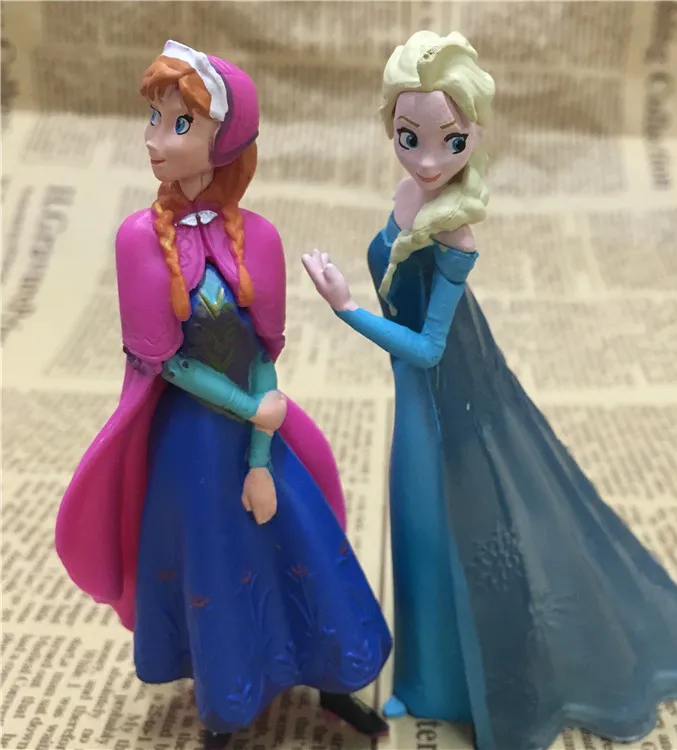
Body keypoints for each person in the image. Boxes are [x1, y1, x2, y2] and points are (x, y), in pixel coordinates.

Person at [302, 29, 677, 750]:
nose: (429, 160)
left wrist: (346, 307)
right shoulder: (407, 195)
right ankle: (424, 680)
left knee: (451, 531)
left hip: (442, 401)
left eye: (451, 141)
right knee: (415, 534)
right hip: (414, 401)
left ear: (475, 135)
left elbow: (428, 348)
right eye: (410, 138)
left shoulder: (456, 237)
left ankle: (469, 684)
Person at [55, 40, 391, 750]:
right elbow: (166, 364)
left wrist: (262, 451)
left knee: (303, 539)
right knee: (211, 556)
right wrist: (248, 411)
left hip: (254, 434)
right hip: (193, 443)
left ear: (225, 140)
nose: (154, 139)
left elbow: (263, 354)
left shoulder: (258, 237)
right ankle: (223, 705)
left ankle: (334, 679)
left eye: (179, 124)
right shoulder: (138, 241)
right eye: (153, 118)